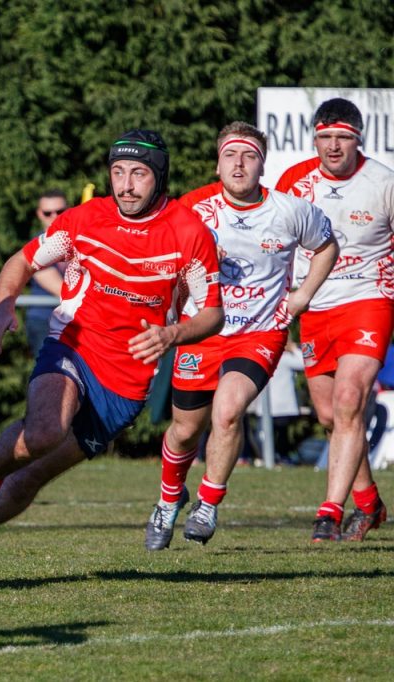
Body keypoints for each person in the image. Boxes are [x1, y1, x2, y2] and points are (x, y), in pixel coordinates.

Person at [0, 130, 223, 585]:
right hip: (73, 344)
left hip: (124, 386)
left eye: (138, 174)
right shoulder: (83, 219)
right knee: (44, 431)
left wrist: (173, 333)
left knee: (28, 481)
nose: (126, 185)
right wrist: (3, 308)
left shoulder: (188, 232)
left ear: (159, 178)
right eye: (118, 172)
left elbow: (213, 312)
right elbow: (21, 262)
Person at [143, 122, 337, 551]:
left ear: (262, 165)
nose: (239, 163)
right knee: (183, 430)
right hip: (201, 331)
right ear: (218, 162)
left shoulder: (290, 210)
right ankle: (168, 499)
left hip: (259, 333)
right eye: (231, 155)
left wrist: (303, 294)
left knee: (228, 411)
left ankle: (209, 503)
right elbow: (160, 255)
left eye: (249, 156)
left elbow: (326, 245)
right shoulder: (192, 209)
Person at [276, 98, 394, 542]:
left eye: (342, 137)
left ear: (358, 138)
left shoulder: (383, 182)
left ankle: (329, 511)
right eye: (324, 137)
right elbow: (280, 241)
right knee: (330, 415)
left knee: (348, 401)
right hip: (314, 307)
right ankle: (369, 504)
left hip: (369, 300)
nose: (332, 146)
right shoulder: (295, 181)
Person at [24, 189, 69, 356]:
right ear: (39, 214)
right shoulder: (35, 246)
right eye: (47, 213)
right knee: (51, 378)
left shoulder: (83, 241)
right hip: (44, 321)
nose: (54, 216)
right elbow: (61, 290)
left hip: (78, 322)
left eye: (60, 211)